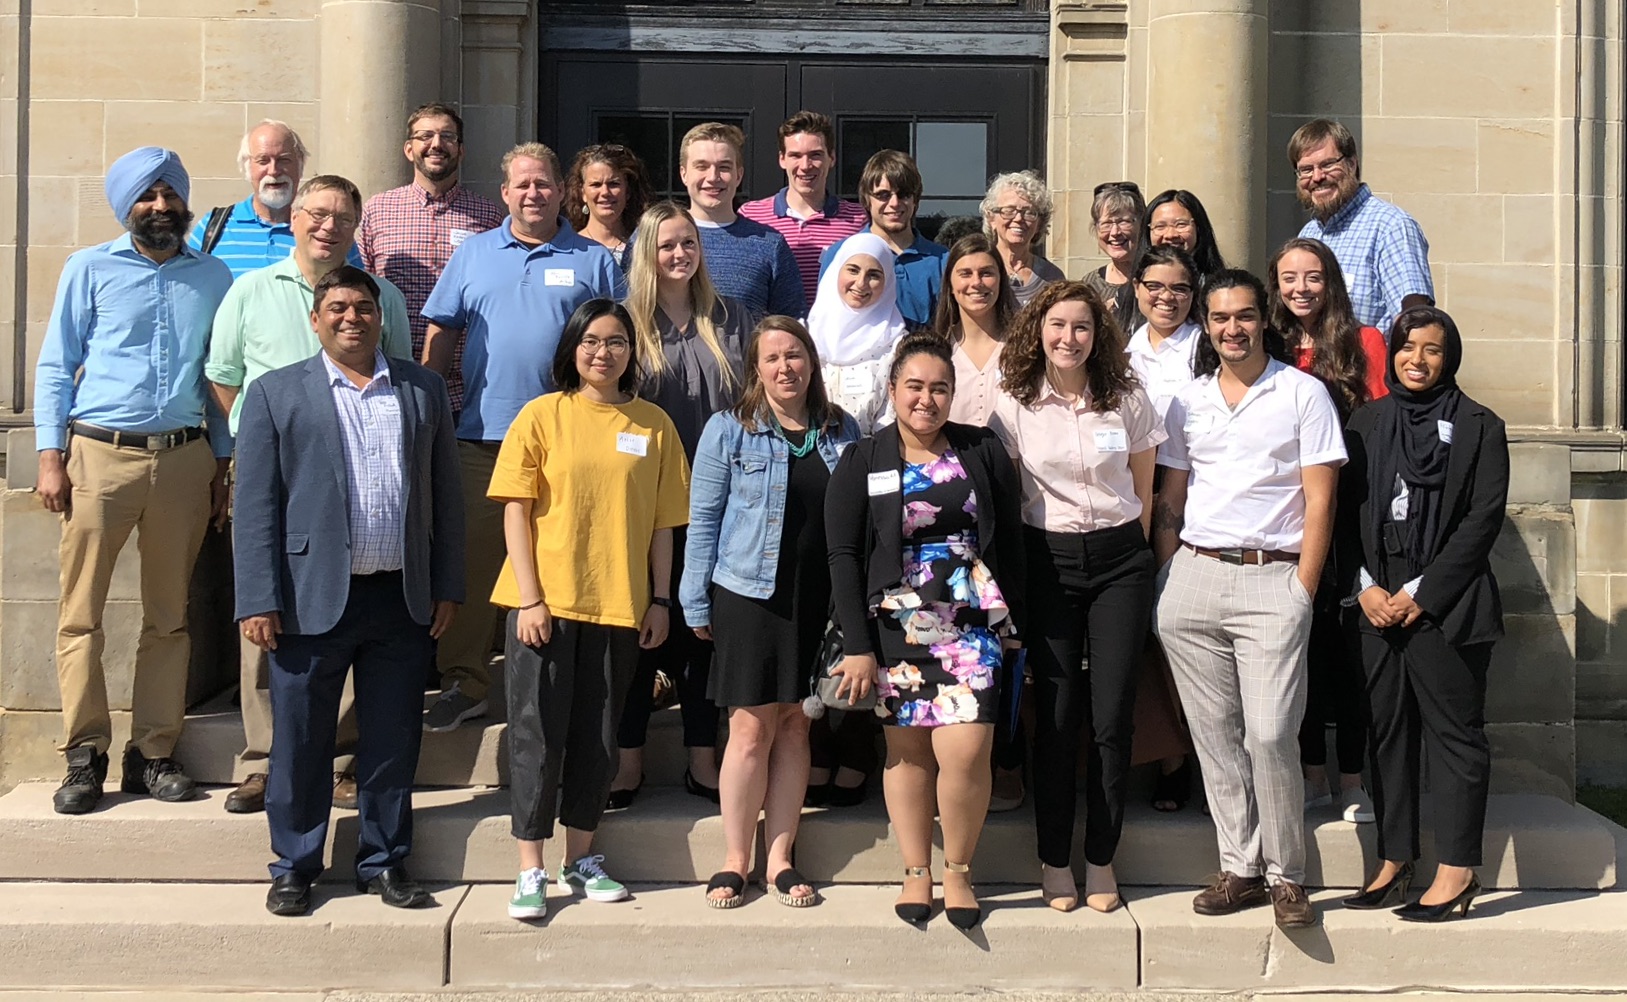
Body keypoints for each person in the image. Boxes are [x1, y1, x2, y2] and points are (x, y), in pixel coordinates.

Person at [234, 266, 463, 918]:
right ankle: (295, 865)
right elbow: (255, 507)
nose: (350, 318)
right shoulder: (278, 394)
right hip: (308, 599)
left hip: (401, 596)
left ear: (379, 315)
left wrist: (447, 584)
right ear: (315, 319)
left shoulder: (419, 389)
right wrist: (256, 597)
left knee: (391, 740)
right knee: (302, 740)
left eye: (362, 307)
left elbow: (445, 497)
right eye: (336, 308)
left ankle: (383, 861)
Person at [207, 174, 414, 814]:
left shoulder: (381, 299)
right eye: (317, 214)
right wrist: (253, 448)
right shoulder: (249, 290)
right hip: (277, 476)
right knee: (269, 615)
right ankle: (267, 760)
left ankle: (345, 760)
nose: (329, 226)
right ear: (294, 218)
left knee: (349, 616)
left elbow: (399, 378)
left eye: (343, 218)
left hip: (363, 474)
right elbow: (223, 379)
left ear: (357, 229)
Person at [36, 147, 233, 816]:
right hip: (98, 455)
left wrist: (223, 462)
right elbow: (57, 366)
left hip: (183, 459)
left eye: (169, 196)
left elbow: (218, 375)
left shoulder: (213, 275)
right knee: (80, 614)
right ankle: (83, 754)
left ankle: (152, 751)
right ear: (126, 206)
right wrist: (48, 455)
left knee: (169, 618)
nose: (160, 207)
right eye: (147, 197)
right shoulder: (88, 268)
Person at [1151, 269, 1346, 930]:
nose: (1230, 328)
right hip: (1195, 578)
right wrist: (1167, 573)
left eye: (1241, 315)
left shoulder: (1302, 394)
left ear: (1262, 318)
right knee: (1214, 735)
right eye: (1218, 318)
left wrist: (1302, 589)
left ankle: (1286, 875)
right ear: (1205, 326)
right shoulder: (1187, 401)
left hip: (1273, 579)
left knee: (1268, 734)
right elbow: (1169, 499)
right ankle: (1239, 866)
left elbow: (1321, 498)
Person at [421, 142, 626, 738]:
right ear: (505, 192)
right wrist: (429, 411)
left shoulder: (593, 261)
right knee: (474, 563)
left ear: (562, 191)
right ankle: (464, 681)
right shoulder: (474, 254)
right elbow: (441, 333)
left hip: (570, 443)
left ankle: (546, 682)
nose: (534, 193)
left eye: (544, 183)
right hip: (482, 437)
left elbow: (614, 342)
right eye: (522, 185)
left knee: (559, 566)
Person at [495, 299, 690, 922]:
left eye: (616, 342)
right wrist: (530, 597)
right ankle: (530, 866)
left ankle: (580, 856)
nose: (602, 353)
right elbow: (515, 510)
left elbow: (664, 525)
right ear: (572, 349)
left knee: (598, 739)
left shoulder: (654, 424)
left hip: (621, 605)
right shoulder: (542, 415)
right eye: (591, 341)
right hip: (544, 605)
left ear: (633, 352)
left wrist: (660, 599)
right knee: (536, 734)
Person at [825, 332, 1026, 929]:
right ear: (892, 390)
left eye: (940, 388)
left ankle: (959, 869)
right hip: (895, 627)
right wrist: (857, 646)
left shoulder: (982, 449)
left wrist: (1016, 623)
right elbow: (842, 555)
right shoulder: (865, 457)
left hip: (969, 621)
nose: (927, 399)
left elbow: (1009, 538)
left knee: (965, 750)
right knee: (908, 754)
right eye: (914, 386)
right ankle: (917, 870)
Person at [989, 280, 1162, 914]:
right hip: (1048, 561)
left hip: (1120, 560)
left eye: (1082, 327)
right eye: (1057, 325)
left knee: (1113, 717)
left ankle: (1101, 856)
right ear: (1038, 328)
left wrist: (1134, 553)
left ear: (1099, 334)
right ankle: (1055, 858)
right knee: (1058, 717)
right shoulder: (1013, 405)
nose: (1069, 338)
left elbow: (1143, 486)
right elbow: (1007, 499)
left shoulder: (1127, 396)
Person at [683, 316, 862, 908]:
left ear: (812, 361)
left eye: (795, 355)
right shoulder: (728, 431)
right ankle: (736, 859)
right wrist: (692, 596)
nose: (786, 367)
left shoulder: (842, 431)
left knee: (796, 723)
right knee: (750, 725)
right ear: (756, 369)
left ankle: (780, 858)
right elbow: (703, 519)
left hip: (821, 598)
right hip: (748, 593)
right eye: (772, 358)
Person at [1337, 307, 1507, 922]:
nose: (1417, 360)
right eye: (1407, 348)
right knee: (1387, 733)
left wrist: (1420, 592)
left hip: (1446, 608)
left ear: (1449, 358)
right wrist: (1364, 588)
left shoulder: (1482, 426)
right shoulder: (1365, 422)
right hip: (1376, 604)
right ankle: (1395, 857)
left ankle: (1458, 870)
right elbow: (1343, 516)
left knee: (1455, 739)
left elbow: (1481, 521)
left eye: (1432, 350)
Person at [610, 201, 750, 808]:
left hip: (719, 502)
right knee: (641, 629)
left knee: (700, 635)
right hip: (641, 502)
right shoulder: (623, 322)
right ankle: (627, 762)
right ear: (647, 252)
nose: (679, 254)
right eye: (666, 245)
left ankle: (702, 758)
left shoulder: (732, 318)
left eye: (688, 243)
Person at [1269, 236, 1390, 824]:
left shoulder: (1363, 341)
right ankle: (1311, 772)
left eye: (1312, 277)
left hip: (1350, 510)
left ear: (1330, 281)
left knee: (1349, 650)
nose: (1300, 288)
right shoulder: (1270, 345)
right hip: (1284, 514)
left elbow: (1380, 426)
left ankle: (1352, 779)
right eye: (1289, 278)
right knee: (1301, 649)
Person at [358, 102, 505, 420]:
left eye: (447, 136)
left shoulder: (489, 216)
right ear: (409, 149)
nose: (436, 144)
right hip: (389, 380)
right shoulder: (377, 211)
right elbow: (362, 289)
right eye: (425, 136)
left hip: (466, 390)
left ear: (461, 150)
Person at [1125, 243, 1204, 812]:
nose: (1166, 297)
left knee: (1189, 638)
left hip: (1198, 505)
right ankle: (1170, 756)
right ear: (1137, 289)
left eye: (1178, 287)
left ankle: (1197, 761)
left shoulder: (1206, 349)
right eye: (1155, 285)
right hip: (1135, 502)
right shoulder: (1122, 352)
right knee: (1153, 641)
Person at [1291, 118, 1434, 335]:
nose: (1317, 177)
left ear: (1352, 164)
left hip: (1372, 367)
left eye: (1328, 165)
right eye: (1306, 170)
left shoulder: (1391, 227)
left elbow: (1414, 322)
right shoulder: (1308, 234)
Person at [186, 120, 361, 277]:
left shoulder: (328, 233)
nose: (274, 171)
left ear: (300, 165)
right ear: (247, 167)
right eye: (263, 161)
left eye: (284, 160)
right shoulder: (213, 227)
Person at [678, 122, 806, 320]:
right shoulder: (654, 237)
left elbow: (791, 324)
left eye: (724, 167)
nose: (713, 177)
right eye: (701, 166)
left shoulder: (769, 244)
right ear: (684, 174)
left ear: (739, 175)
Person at [739, 111, 868, 304]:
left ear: (831, 158)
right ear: (782, 159)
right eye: (795, 155)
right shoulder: (751, 216)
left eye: (815, 155)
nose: (805, 165)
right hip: (775, 331)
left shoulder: (858, 220)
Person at [818, 150, 949, 330]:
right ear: (866, 199)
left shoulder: (942, 261)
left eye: (904, 194)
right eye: (883, 195)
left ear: (915, 200)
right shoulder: (841, 255)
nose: (894, 203)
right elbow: (825, 324)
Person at [807, 232, 909, 433]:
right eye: (853, 270)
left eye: (874, 275)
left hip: (868, 458)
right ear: (837, 270)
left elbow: (891, 419)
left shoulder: (897, 346)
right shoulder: (805, 337)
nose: (861, 283)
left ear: (887, 281)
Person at [936, 233, 1016, 428]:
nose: (976, 282)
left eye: (986, 273)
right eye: (965, 274)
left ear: (1000, 280)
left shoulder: (1022, 348)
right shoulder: (937, 350)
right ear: (951, 285)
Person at [981, 171, 1065, 308]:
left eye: (1029, 213)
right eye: (1009, 211)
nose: (1019, 219)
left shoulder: (1051, 277)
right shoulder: (978, 270)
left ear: (1039, 224)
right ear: (991, 219)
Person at [564, 143, 652, 271]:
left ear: (627, 192)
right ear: (582, 193)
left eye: (613, 184)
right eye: (596, 184)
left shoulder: (644, 249)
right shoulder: (567, 250)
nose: (605, 192)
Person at [1080, 181, 1146, 336]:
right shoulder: (1090, 284)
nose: (1115, 232)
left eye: (1124, 221)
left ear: (1142, 224)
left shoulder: (1157, 278)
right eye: (1106, 223)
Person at [1136, 189, 1226, 286]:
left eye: (1181, 224)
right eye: (1160, 226)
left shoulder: (1220, 289)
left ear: (1199, 228)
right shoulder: (1129, 292)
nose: (1170, 235)